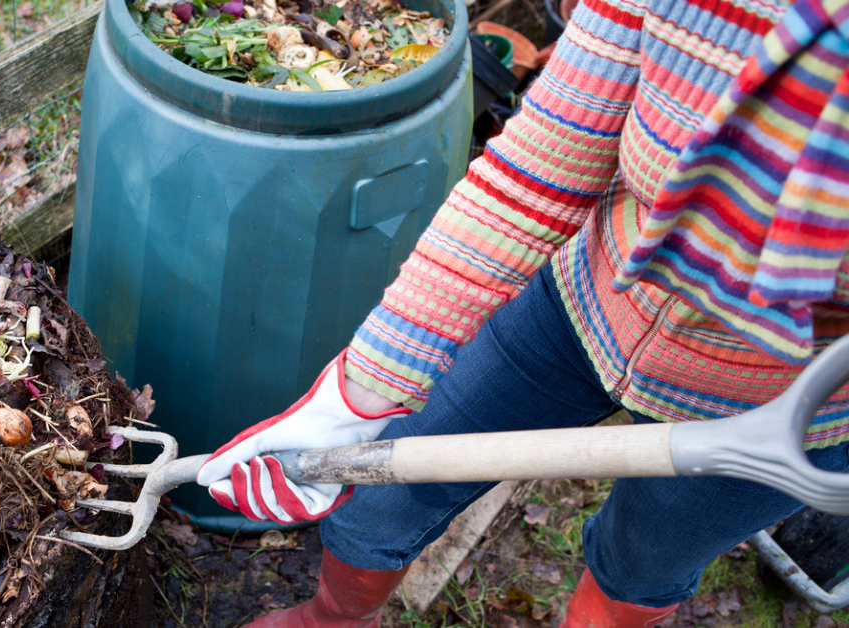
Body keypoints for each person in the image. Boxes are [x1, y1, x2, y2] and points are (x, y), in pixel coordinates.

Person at [195, 0, 849, 624]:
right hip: (582, 306)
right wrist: (359, 394)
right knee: (384, 497)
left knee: (642, 565)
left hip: (782, 404)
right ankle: (331, 620)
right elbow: (539, 169)